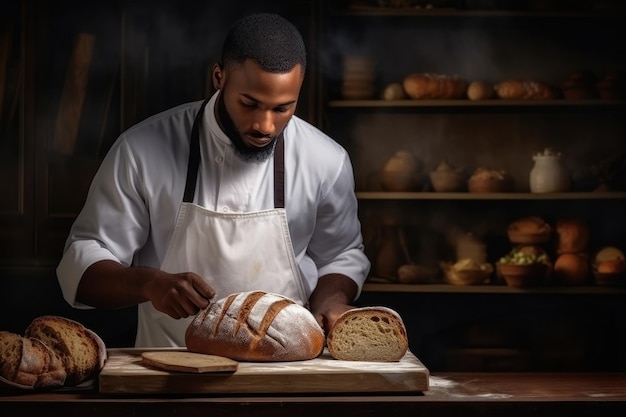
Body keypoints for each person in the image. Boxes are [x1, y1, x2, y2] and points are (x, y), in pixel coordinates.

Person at [56, 12, 370, 347]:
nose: (265, 125)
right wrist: (149, 283)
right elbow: (84, 263)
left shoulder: (325, 159)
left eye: (282, 109)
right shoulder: (141, 150)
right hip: (170, 371)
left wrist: (330, 301)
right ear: (219, 77)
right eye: (250, 104)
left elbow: (340, 256)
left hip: (285, 373)